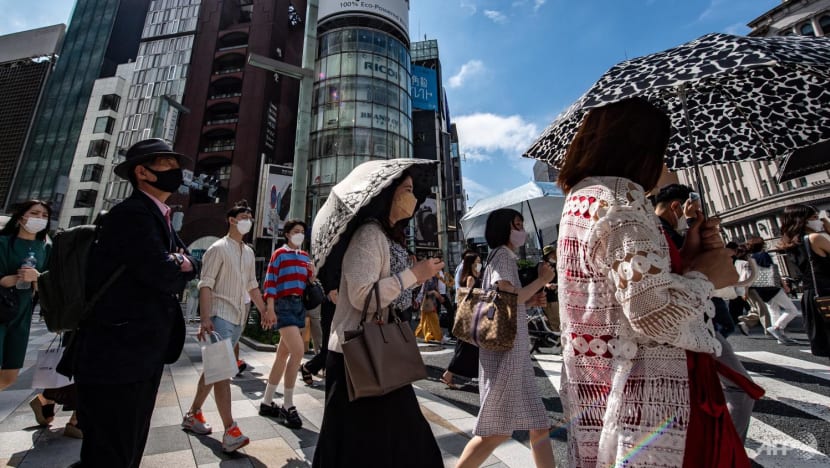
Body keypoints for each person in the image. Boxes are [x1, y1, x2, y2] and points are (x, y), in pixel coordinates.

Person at [555, 98, 748, 467]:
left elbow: (626, 291)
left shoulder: (584, 197)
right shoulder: (620, 200)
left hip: (613, 390)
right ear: (639, 148)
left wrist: (688, 257)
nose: (665, 164)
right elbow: (651, 312)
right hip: (655, 397)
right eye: (662, 150)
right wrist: (707, 277)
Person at [70, 138, 199, 468]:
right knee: (111, 452)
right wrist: (179, 264)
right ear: (142, 172)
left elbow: (190, 263)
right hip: (117, 354)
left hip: (140, 353)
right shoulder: (132, 215)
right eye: (167, 164)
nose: (176, 171)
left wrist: (180, 263)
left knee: (128, 446)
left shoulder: (160, 216)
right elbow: (165, 274)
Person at [312, 170, 445, 468]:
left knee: (385, 444)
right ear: (388, 194)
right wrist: (414, 275)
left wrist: (415, 277)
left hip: (377, 351)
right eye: (407, 189)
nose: (413, 197)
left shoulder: (387, 236)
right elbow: (362, 294)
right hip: (356, 355)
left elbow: (391, 295)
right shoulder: (369, 235)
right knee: (372, 445)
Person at [456, 208, 554, 468]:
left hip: (514, 354)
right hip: (507, 356)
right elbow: (511, 295)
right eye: (517, 225)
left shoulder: (500, 256)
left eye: (521, 224)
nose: (522, 230)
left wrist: (531, 300)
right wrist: (542, 280)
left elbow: (508, 302)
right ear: (503, 229)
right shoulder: (502, 256)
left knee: (539, 425)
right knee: (496, 431)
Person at [181, 200, 269, 452]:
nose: (248, 221)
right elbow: (206, 284)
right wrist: (205, 318)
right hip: (219, 315)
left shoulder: (248, 252)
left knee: (214, 369)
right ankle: (230, 430)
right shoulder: (217, 248)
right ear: (231, 220)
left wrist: (264, 310)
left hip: (238, 318)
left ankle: (193, 414)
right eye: (243, 217)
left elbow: (252, 285)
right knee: (222, 372)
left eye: (250, 218)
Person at [259, 219, 314, 428]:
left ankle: (267, 401)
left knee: (282, 355)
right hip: (283, 304)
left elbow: (308, 283)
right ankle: (288, 404)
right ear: (288, 234)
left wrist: (312, 273)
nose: (300, 234)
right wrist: (270, 308)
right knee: (298, 351)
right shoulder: (279, 254)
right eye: (296, 231)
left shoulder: (305, 256)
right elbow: (270, 281)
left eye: (302, 231)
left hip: (298, 305)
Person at [0, 200, 51, 391]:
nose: (40, 218)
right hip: (2, 308)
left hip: (22, 313)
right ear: (21, 217)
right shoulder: (3, 243)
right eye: (35, 213)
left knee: (10, 375)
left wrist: (37, 279)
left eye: (45, 216)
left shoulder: (45, 248)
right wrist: (17, 277)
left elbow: (49, 284)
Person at [778, 204, 830, 357]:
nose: (820, 220)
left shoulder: (792, 243)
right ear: (802, 221)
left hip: (812, 295)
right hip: (826, 289)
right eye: (814, 217)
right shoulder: (815, 238)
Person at [746, 236, 799, 344]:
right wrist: (784, 285)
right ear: (762, 245)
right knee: (792, 310)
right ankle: (777, 328)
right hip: (771, 287)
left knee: (774, 311)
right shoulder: (764, 255)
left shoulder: (751, 259)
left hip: (760, 289)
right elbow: (773, 271)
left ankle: (780, 337)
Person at [441, 252, 482, 389]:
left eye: (480, 261)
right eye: (476, 262)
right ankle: (448, 374)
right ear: (470, 264)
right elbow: (467, 300)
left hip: (474, 316)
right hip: (470, 318)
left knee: (466, 348)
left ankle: (449, 375)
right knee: (465, 348)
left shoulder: (476, 276)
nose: (479, 264)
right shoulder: (470, 278)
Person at [414, 268, 445, 343]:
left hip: (431, 302)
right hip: (427, 302)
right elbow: (422, 291)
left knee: (424, 320)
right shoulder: (426, 279)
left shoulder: (434, 278)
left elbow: (437, 288)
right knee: (434, 320)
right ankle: (439, 337)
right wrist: (418, 300)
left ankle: (420, 334)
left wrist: (439, 296)